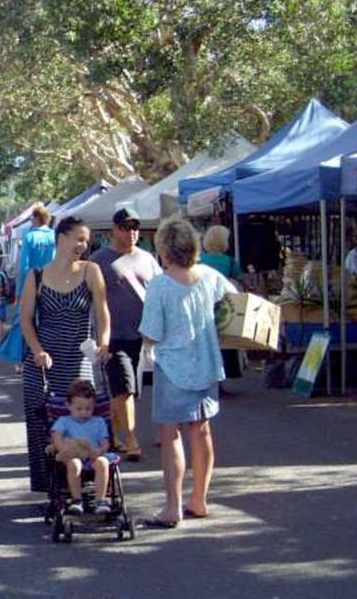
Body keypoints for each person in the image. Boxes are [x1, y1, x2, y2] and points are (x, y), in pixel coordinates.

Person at [138, 218, 238, 528]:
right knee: (201, 430)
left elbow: (152, 333)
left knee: (171, 436)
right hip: (206, 362)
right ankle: (200, 499)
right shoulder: (209, 276)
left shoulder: (161, 285)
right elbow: (234, 300)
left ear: (164, 250)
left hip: (173, 366)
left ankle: (172, 507)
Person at [19, 216, 112, 492]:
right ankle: (51, 486)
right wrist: (38, 351)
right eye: (79, 239)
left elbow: (102, 312)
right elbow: (25, 320)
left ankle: (88, 482)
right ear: (61, 239)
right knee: (44, 422)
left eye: (86, 240)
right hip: (45, 361)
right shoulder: (36, 275)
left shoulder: (91, 270)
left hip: (79, 358)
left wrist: (103, 343)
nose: (83, 245)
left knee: (84, 416)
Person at [89, 208, 160, 461]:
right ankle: (131, 439)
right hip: (112, 335)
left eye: (135, 228)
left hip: (141, 335)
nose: (131, 232)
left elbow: (159, 290)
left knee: (126, 390)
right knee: (125, 388)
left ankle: (113, 435)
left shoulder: (147, 258)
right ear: (114, 230)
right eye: (125, 227)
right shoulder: (99, 259)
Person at [0, 204, 56, 364]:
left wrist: (20, 290)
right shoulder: (53, 236)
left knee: (24, 321)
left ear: (36, 218)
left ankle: (22, 357)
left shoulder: (29, 236)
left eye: (31, 218)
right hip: (52, 282)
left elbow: (24, 265)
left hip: (33, 282)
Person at [51, 379, 114, 516]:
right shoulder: (64, 421)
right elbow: (56, 437)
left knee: (103, 462)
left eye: (88, 409)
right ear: (69, 406)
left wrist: (100, 451)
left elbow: (105, 441)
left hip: (93, 455)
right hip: (73, 455)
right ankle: (77, 499)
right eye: (79, 409)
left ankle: (100, 500)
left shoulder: (99, 422)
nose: (84, 412)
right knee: (74, 463)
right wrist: (63, 450)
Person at [201, 226, 243, 382]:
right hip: (225, 307)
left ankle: (209, 378)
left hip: (203, 305)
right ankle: (223, 376)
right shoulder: (230, 262)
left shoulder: (200, 259)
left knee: (206, 344)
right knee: (224, 344)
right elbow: (241, 279)